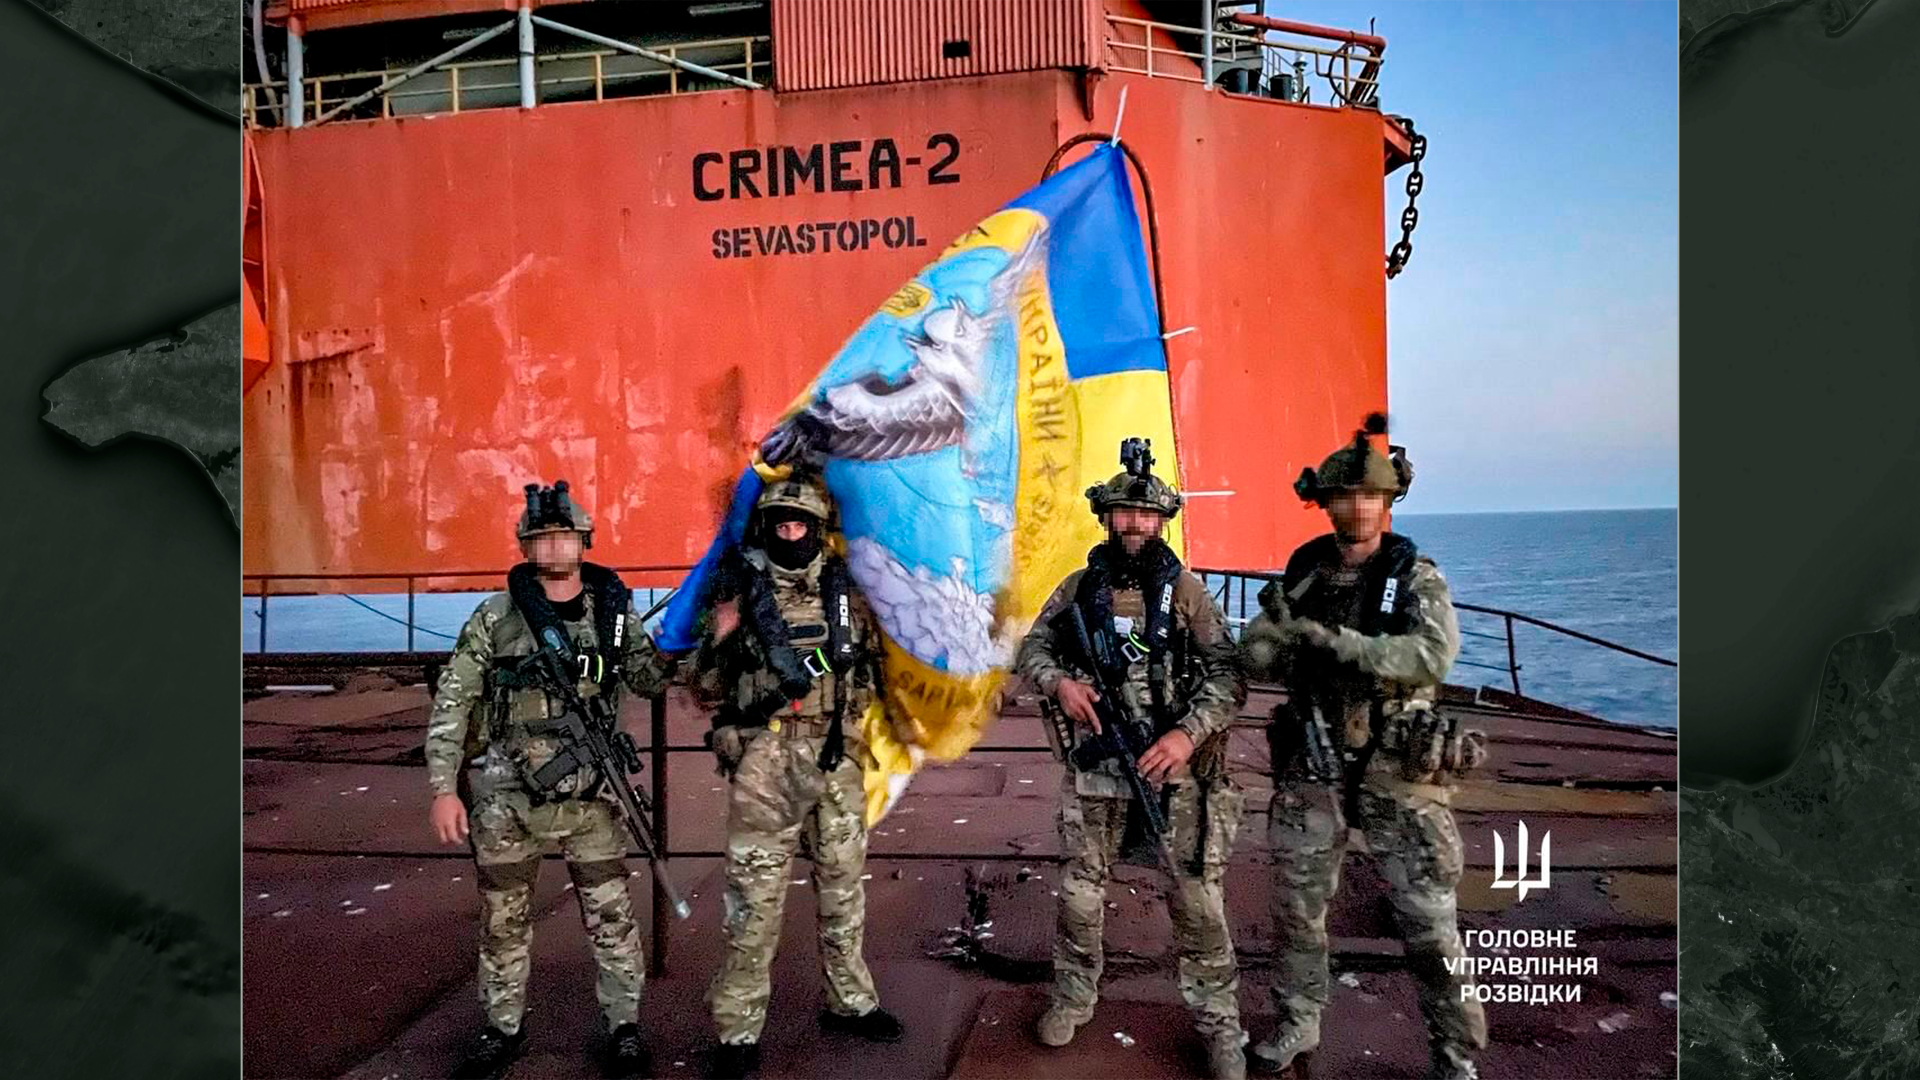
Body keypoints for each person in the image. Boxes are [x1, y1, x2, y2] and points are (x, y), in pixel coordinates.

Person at [1241, 415, 1489, 1080]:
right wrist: (1283, 644)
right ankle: (1298, 1021)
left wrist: (1339, 644)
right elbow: (1254, 649)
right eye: (1344, 497)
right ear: (1326, 503)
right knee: (1297, 908)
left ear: (1387, 503)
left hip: (1395, 759)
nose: (1357, 508)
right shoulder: (1305, 574)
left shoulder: (1414, 575)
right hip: (1314, 754)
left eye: (1370, 497)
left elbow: (1432, 655)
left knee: (1427, 917)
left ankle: (1454, 1054)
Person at [423, 480, 676, 1079]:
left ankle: (624, 1027)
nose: (554, 547)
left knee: (612, 919)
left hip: (591, 797)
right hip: (508, 798)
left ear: (583, 542)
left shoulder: (613, 614)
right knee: (503, 921)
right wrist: (443, 787)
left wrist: (692, 632)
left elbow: (650, 680)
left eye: (564, 537)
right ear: (526, 547)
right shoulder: (495, 618)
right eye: (542, 539)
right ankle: (501, 1028)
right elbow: (454, 701)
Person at [1015, 438, 1251, 1080]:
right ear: (1106, 517)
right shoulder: (1077, 590)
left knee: (1197, 901)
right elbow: (1032, 650)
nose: (1135, 524)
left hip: (1173, 773)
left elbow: (1229, 673)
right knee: (1080, 894)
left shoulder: (1187, 594)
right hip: (1097, 770)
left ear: (1163, 521)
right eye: (1124, 513)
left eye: (1147, 515)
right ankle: (1073, 995)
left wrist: (1188, 736)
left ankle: (1220, 1024)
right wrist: (1060, 684)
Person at [694, 472, 903, 1079]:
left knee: (843, 889)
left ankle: (851, 1001)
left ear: (818, 528)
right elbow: (703, 687)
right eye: (781, 526)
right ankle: (738, 1029)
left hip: (836, 759)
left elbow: (874, 671)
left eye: (801, 525)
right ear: (766, 529)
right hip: (767, 762)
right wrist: (721, 636)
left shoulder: (848, 593)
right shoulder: (737, 591)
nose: (791, 535)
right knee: (754, 904)